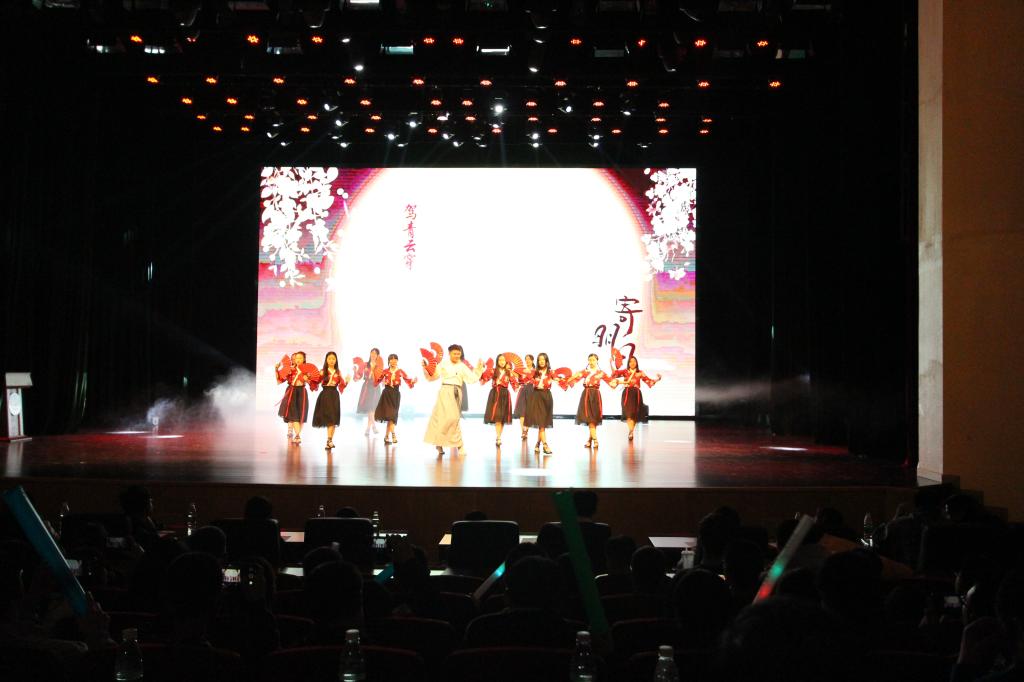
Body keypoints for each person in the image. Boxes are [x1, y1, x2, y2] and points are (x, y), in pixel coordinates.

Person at [423, 344, 484, 456]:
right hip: (445, 391)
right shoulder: (443, 364)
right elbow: (432, 377)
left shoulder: (462, 366)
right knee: (442, 418)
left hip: (457, 392)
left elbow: (471, 379)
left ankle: (459, 445)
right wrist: (425, 368)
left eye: (458, 354)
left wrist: (479, 369)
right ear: (449, 353)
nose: (457, 355)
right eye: (454, 353)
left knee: (454, 418)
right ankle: (440, 444)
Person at [569, 353, 615, 448]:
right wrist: (569, 378)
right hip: (586, 394)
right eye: (590, 360)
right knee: (590, 418)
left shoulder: (601, 373)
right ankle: (595, 440)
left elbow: (611, 381)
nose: (591, 362)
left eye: (593, 360)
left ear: (597, 361)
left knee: (593, 418)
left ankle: (589, 440)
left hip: (596, 395)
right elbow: (574, 378)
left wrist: (623, 382)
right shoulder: (585, 372)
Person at [610, 355, 661, 441]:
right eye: (630, 361)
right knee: (628, 414)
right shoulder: (625, 371)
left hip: (636, 394)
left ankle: (631, 431)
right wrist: (611, 363)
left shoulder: (640, 373)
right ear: (628, 363)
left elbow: (648, 381)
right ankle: (631, 431)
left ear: (637, 363)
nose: (632, 363)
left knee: (634, 415)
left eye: (634, 361)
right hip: (627, 393)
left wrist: (657, 379)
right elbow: (615, 373)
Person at [524, 352, 564, 455]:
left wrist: (564, 379)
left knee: (542, 423)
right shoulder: (534, 372)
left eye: (543, 359)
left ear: (546, 361)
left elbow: (558, 379)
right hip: (536, 396)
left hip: (546, 397)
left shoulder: (551, 372)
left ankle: (537, 444)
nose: (541, 361)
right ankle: (545, 445)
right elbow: (524, 377)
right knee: (541, 422)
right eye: (539, 360)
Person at [373, 353, 417, 444]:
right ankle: (393, 434)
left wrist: (413, 381)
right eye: (391, 360)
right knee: (390, 416)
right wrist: (373, 371)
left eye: (395, 360)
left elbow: (408, 380)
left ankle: (386, 437)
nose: (393, 361)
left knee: (392, 416)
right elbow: (377, 381)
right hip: (386, 395)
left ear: (397, 361)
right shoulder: (385, 371)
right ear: (389, 361)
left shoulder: (400, 371)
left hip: (395, 395)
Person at [312, 351, 351, 450]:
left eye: (333, 358)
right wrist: (309, 378)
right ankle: (329, 441)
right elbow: (315, 382)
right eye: (329, 358)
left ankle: (329, 440)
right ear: (326, 360)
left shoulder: (338, 372)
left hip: (334, 395)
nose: (331, 360)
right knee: (329, 418)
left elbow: (342, 386)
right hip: (325, 395)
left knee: (333, 419)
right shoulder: (322, 371)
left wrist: (346, 381)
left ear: (336, 360)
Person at [276, 351, 314, 444]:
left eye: (300, 358)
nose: (298, 359)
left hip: (302, 393)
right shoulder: (291, 369)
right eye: (296, 358)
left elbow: (313, 385)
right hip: (291, 392)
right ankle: (297, 435)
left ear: (304, 359)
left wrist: (308, 380)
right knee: (293, 415)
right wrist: (276, 370)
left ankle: (297, 435)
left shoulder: (307, 371)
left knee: (301, 415)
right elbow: (280, 380)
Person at [482, 353, 519, 446]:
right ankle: (498, 437)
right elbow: (485, 377)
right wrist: (482, 369)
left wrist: (520, 382)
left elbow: (515, 384)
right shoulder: (493, 371)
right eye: (500, 360)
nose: (502, 362)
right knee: (498, 416)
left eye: (503, 360)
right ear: (497, 361)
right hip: (495, 393)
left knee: (502, 418)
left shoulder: (509, 372)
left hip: (505, 394)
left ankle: (499, 436)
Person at [354, 348, 382, 436]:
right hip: (367, 387)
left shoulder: (379, 366)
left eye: (375, 353)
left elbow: (380, 377)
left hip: (376, 387)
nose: (373, 354)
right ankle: (373, 426)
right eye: (372, 352)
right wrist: (355, 371)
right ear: (370, 353)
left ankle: (368, 428)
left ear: (378, 355)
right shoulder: (365, 364)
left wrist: (374, 371)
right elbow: (358, 377)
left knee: (373, 407)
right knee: (370, 407)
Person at [512, 354, 535, 441]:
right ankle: (523, 431)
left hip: (532, 391)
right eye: (526, 359)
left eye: (529, 359)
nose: (527, 361)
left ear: (532, 360)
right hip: (522, 390)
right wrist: (510, 371)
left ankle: (526, 431)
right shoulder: (521, 370)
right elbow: (516, 376)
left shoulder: (536, 371)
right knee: (522, 412)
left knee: (529, 412)